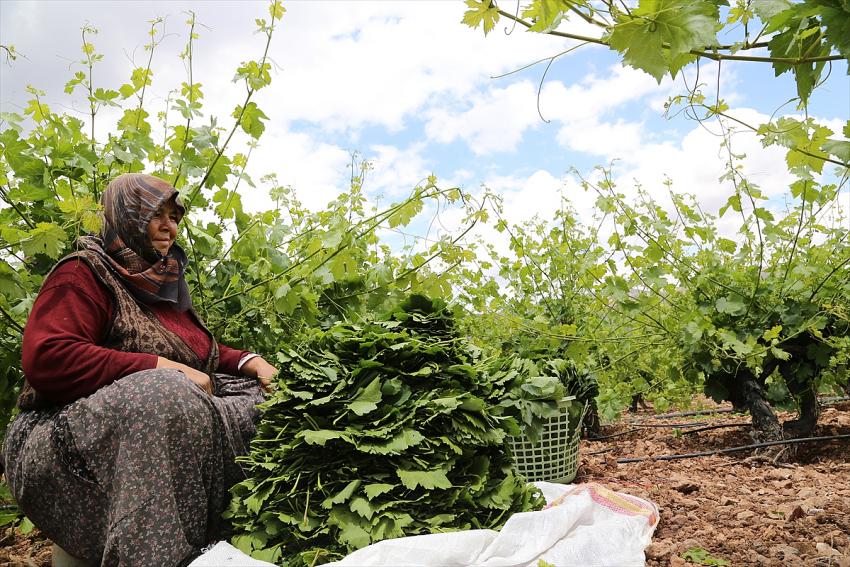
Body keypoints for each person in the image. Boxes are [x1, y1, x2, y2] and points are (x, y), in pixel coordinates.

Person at [2, 173, 278, 566]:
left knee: (259, 399)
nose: (170, 226)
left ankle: (217, 538)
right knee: (161, 393)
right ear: (127, 217)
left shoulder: (158, 283)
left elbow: (204, 353)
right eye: (157, 215)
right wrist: (160, 366)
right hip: (63, 440)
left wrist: (255, 363)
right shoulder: (83, 273)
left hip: (137, 428)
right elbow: (50, 357)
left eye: (174, 215)